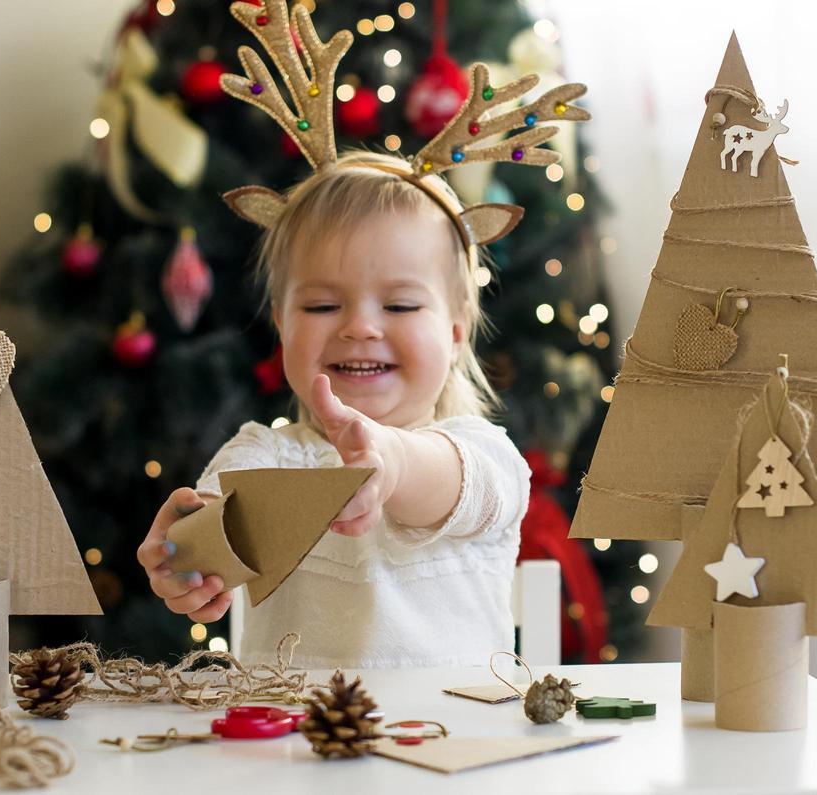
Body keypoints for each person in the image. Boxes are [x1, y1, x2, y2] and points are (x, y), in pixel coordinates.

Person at [136, 152, 531, 668]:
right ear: (283, 326)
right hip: (295, 739)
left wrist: (392, 460)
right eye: (322, 306)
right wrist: (185, 556)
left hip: (454, 736)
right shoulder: (263, 452)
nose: (360, 328)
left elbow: (454, 483)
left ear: (455, 335)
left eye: (400, 306)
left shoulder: (482, 452)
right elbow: (213, 524)